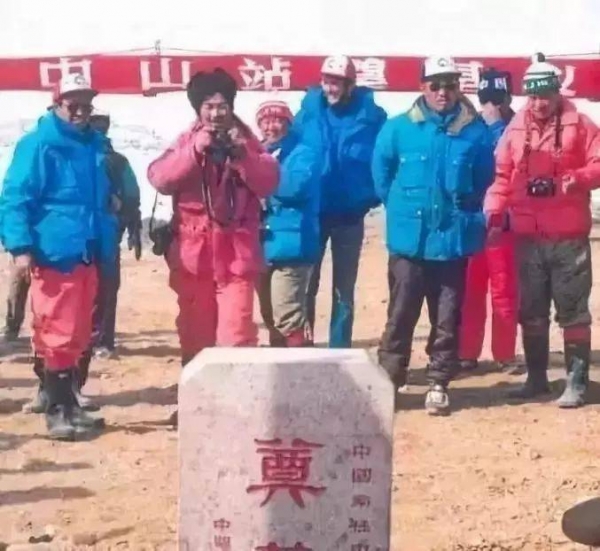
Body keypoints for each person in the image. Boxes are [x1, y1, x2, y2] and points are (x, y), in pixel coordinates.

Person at [147, 69, 278, 424]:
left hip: (236, 256)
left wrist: (242, 157)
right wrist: (195, 152)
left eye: (222, 106)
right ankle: (195, 405)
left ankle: (237, 407)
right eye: (209, 106)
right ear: (198, 109)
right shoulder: (186, 140)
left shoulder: (247, 142)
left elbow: (269, 181)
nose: (217, 114)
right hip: (195, 257)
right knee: (195, 334)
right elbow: (160, 177)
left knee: (237, 334)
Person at [372, 56, 495, 415]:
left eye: (450, 85)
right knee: (400, 315)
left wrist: (461, 214)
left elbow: (483, 179)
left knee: (447, 317)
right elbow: (382, 177)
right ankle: (390, 380)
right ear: (422, 87)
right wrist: (405, 209)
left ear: (458, 88)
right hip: (409, 242)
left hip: (451, 241)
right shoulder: (398, 128)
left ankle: (439, 381)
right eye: (436, 85)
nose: (443, 92)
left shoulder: (474, 133)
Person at [0, 73, 118, 439]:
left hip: (88, 250)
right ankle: (56, 411)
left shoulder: (93, 145)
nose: (81, 111)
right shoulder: (38, 145)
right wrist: (20, 247)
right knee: (57, 331)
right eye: (73, 104)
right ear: (56, 105)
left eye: (87, 105)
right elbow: (15, 197)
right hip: (55, 251)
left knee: (80, 332)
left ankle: (70, 404)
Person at [485, 53, 600, 408]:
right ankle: (536, 379)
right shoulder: (515, 128)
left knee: (573, 311)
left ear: (556, 92)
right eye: (533, 96)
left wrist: (578, 178)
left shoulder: (581, 124)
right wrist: (493, 209)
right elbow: (502, 175)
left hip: (568, 238)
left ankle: (576, 383)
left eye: (546, 95)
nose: (539, 103)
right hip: (528, 237)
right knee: (531, 310)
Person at [293, 55, 386, 348]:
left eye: (337, 83)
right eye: (327, 82)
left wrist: (371, 196)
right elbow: (290, 153)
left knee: (343, 288)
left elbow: (384, 159)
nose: (330, 89)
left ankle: (339, 347)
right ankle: (302, 348)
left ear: (350, 85)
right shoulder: (307, 114)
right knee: (306, 284)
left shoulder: (372, 118)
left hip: (350, 214)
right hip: (313, 211)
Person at [459, 68, 519, 373]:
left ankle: (504, 353)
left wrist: (496, 128)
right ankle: (466, 352)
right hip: (473, 221)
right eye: (486, 99)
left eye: (497, 99)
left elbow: (509, 166)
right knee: (470, 291)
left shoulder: (520, 128)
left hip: (506, 223)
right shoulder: (469, 128)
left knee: (504, 291)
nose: (491, 106)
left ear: (509, 98)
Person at [255, 100, 322, 347]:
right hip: (262, 244)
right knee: (269, 315)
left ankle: (300, 359)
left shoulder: (303, 153)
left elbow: (295, 187)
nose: (271, 127)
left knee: (287, 314)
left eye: (277, 120)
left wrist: (259, 180)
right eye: (265, 121)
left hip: (293, 242)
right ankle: (280, 359)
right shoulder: (258, 152)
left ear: (288, 124)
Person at [89, 110, 142, 360]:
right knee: (104, 288)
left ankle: (92, 340)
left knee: (94, 289)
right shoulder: (115, 160)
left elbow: (131, 196)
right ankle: (100, 341)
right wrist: (130, 225)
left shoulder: (111, 160)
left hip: (87, 236)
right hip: (103, 235)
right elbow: (132, 196)